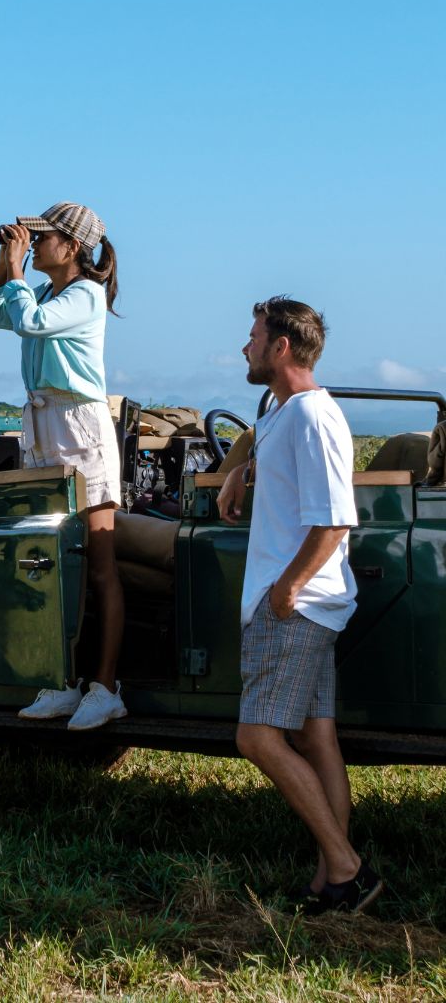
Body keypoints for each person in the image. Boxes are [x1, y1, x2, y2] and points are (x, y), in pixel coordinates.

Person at [217, 296, 382, 914]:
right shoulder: (285, 413)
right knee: (317, 737)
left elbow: (334, 519)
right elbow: (267, 448)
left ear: (280, 346)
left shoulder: (312, 415)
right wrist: (239, 471)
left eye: (254, 336)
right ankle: (331, 882)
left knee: (257, 738)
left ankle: (347, 866)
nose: (246, 346)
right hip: (309, 602)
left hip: (295, 603)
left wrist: (286, 589)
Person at [0, 202, 125, 731]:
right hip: (43, 424)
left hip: (81, 427)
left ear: (73, 247)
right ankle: (63, 681)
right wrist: (5, 264)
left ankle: (106, 687)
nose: (34, 244)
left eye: (42, 237)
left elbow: (32, 324)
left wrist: (16, 270)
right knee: (55, 564)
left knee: (100, 565)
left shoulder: (85, 295)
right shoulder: (42, 291)